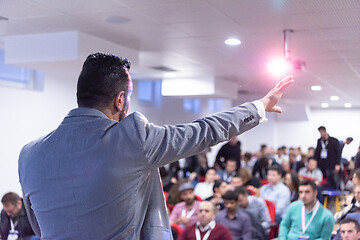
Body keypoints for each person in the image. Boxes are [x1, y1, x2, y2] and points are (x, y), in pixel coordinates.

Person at [18, 53, 293, 239]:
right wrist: (258, 107)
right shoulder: (132, 138)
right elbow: (203, 132)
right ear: (120, 100)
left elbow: (36, 224)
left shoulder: (29, 155)